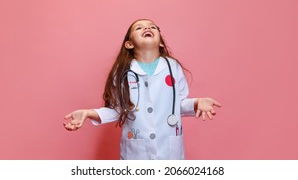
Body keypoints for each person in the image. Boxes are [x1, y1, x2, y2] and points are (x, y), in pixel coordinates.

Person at [63, 19, 221, 160]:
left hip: (170, 153)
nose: (147, 28)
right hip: (136, 153)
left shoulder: (172, 67)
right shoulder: (122, 71)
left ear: (160, 42)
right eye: (139, 28)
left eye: (153, 26)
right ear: (129, 44)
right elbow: (119, 109)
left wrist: (196, 103)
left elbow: (176, 104)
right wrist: (88, 113)